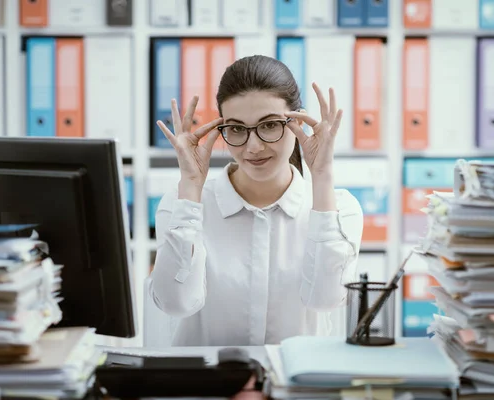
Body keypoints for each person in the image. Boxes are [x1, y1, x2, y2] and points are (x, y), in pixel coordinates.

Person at [148, 55, 363, 347]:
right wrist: (190, 186)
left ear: (297, 122)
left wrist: (322, 175)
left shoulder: (339, 207)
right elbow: (176, 304)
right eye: (236, 128)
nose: (253, 146)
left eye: (270, 125)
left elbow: (326, 299)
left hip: (294, 385)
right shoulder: (181, 202)